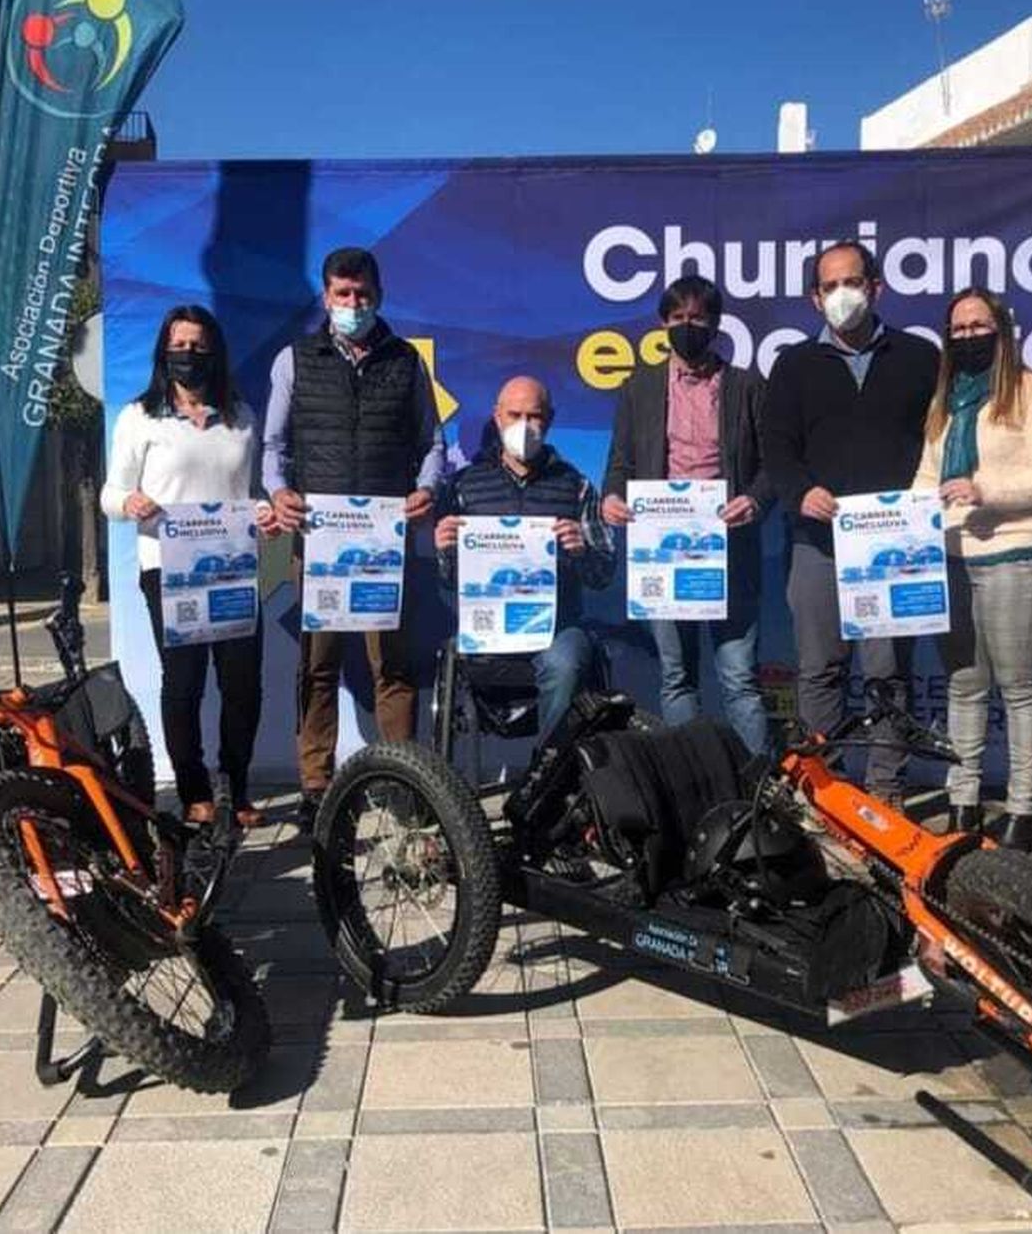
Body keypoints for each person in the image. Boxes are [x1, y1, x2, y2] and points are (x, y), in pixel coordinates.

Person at [260, 247, 445, 826]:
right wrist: (278, 493)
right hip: (316, 541)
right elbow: (274, 448)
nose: (353, 304)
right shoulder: (295, 360)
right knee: (317, 668)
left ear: (379, 295)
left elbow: (432, 443)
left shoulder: (406, 361)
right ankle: (316, 786)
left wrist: (427, 489)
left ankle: (404, 782)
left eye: (362, 294)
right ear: (326, 298)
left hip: (383, 545)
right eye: (343, 294)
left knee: (393, 667)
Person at [762, 240, 941, 800]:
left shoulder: (919, 358)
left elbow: (940, 440)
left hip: (893, 548)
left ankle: (885, 792)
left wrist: (924, 497)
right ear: (815, 299)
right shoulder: (793, 364)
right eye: (830, 285)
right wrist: (801, 491)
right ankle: (830, 793)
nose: (842, 294)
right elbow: (775, 447)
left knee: (887, 675)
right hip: (817, 541)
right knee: (820, 672)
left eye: (852, 282)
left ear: (875, 287)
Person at [101, 305, 276, 828]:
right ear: (164, 352)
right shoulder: (139, 417)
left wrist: (267, 515)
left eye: (199, 347)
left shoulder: (241, 418)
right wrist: (128, 503)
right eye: (179, 346)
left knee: (242, 683)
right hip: (168, 570)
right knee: (184, 684)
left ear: (214, 354)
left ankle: (236, 789)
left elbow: (255, 493)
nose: (189, 355)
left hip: (233, 569)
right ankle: (194, 789)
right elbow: (110, 491)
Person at [914, 287, 1032, 852]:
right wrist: (898, 518)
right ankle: (964, 799)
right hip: (952, 559)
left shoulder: (1031, 391)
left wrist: (985, 490)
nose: (969, 336)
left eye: (979, 326)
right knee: (964, 687)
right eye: (958, 329)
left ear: (1001, 330)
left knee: (1020, 689)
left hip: (1015, 555)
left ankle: (1024, 807)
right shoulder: (945, 402)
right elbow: (926, 480)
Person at [601, 274, 771, 757]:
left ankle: (757, 791)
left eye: (697, 318)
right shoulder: (639, 387)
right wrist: (613, 497)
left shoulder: (745, 385)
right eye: (678, 319)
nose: (687, 327)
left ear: (715, 324)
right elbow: (620, 463)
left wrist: (755, 501)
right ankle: (692, 786)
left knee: (739, 678)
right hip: (663, 554)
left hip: (730, 550)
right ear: (663, 323)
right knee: (676, 678)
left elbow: (772, 467)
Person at [435, 376, 615, 742]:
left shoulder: (576, 485)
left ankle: (548, 772)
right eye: (514, 415)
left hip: (556, 626)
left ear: (549, 420)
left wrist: (582, 551)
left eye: (533, 417)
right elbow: (449, 579)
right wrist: (444, 549)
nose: (524, 426)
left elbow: (604, 574)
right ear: (497, 417)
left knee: (566, 664)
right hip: (487, 628)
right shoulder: (464, 487)